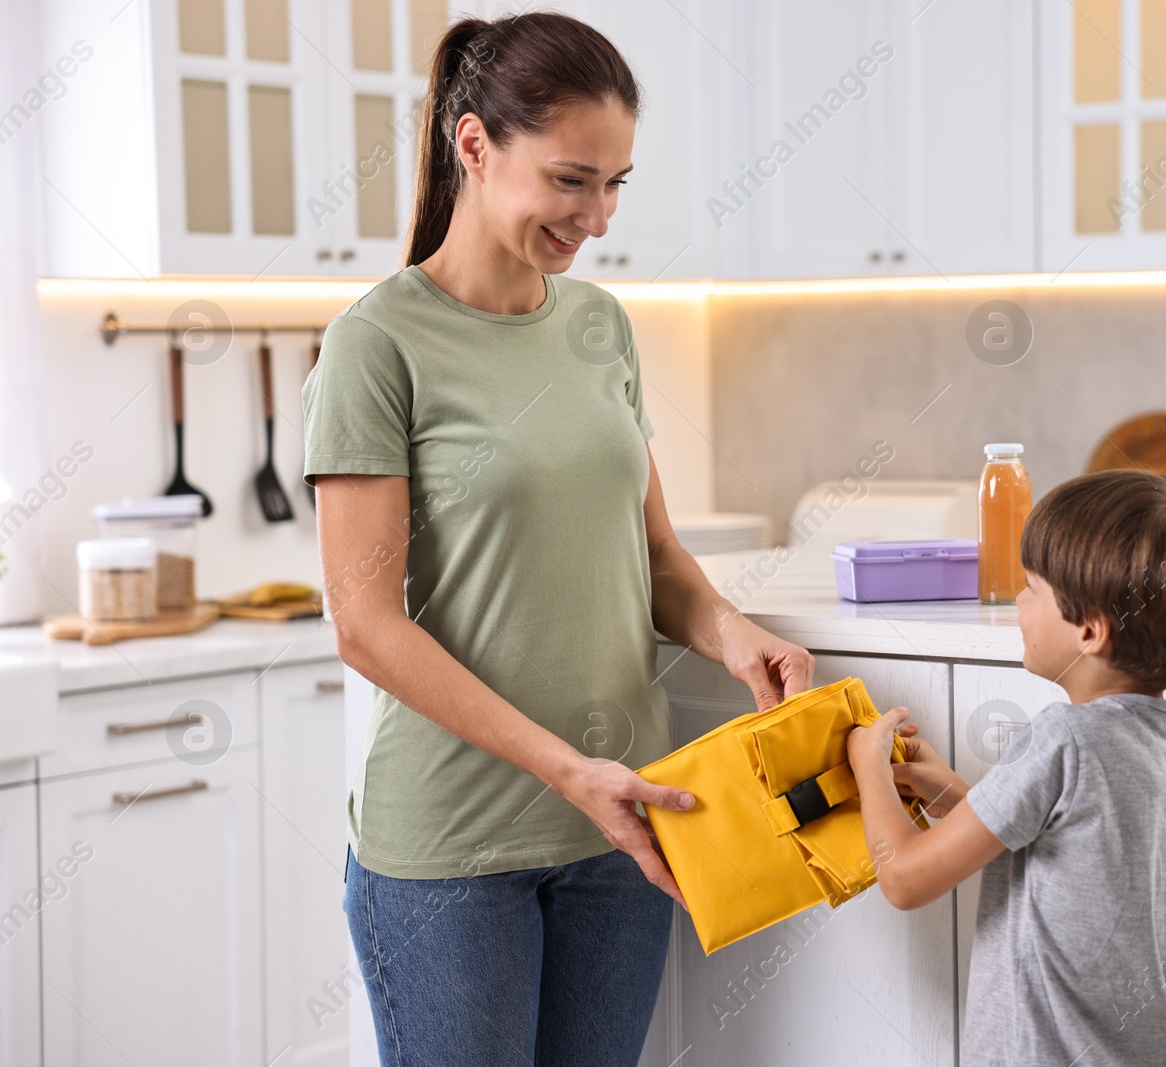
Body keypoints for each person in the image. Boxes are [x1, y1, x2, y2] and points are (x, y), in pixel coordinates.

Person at [302, 12, 813, 1066]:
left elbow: (657, 559)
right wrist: (565, 768)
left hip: (625, 831)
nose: (597, 217)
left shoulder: (600, 327)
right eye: (571, 179)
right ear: (475, 145)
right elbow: (364, 624)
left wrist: (730, 631)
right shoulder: (376, 342)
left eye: (617, 182)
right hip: (454, 849)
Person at [847, 469, 1166, 1066]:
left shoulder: (1063, 739)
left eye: (1032, 588)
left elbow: (905, 880)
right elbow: (1062, 848)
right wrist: (957, 795)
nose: (1018, 599)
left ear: (1089, 630)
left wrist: (868, 769)